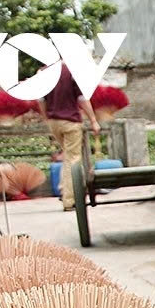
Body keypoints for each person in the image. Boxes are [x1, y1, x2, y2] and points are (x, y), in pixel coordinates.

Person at [38, 63, 101, 211]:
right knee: (73, 160)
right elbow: (82, 98)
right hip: (70, 121)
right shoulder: (72, 71)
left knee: (67, 156)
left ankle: (63, 188)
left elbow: (40, 100)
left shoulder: (43, 72)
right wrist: (93, 120)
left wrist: (47, 119)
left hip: (54, 122)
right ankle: (69, 199)